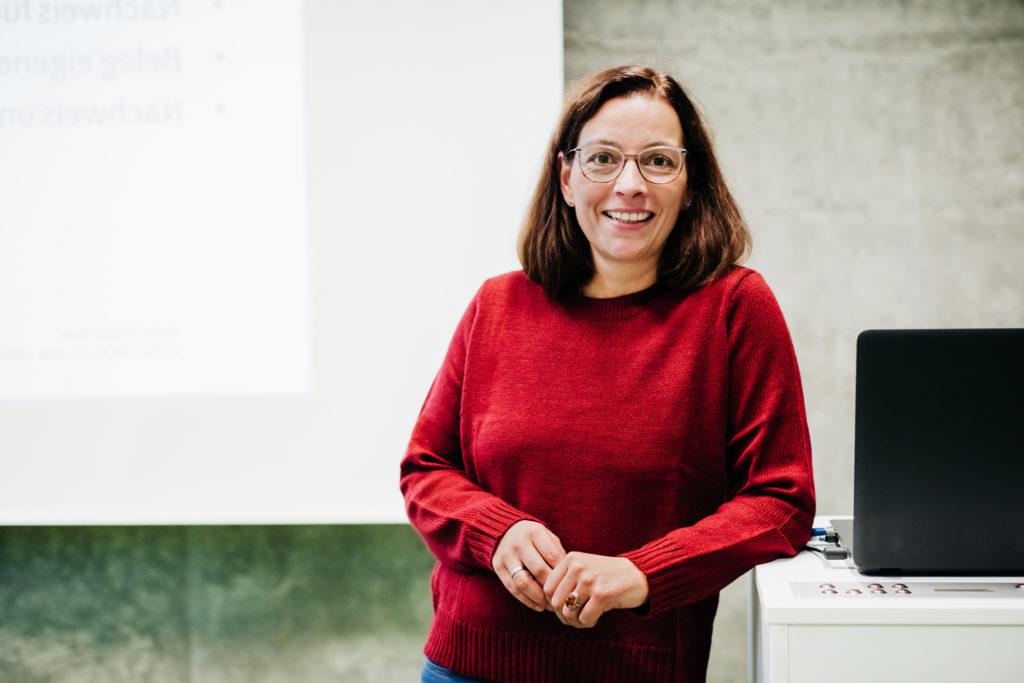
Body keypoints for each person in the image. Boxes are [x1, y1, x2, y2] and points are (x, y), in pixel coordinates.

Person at [400, 64, 816, 683]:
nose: (629, 184)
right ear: (566, 178)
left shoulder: (735, 308)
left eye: (658, 161)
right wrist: (498, 532)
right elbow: (426, 471)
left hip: (637, 668)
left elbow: (780, 501)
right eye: (602, 159)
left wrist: (648, 571)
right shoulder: (497, 305)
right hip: (468, 665)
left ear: (691, 182)